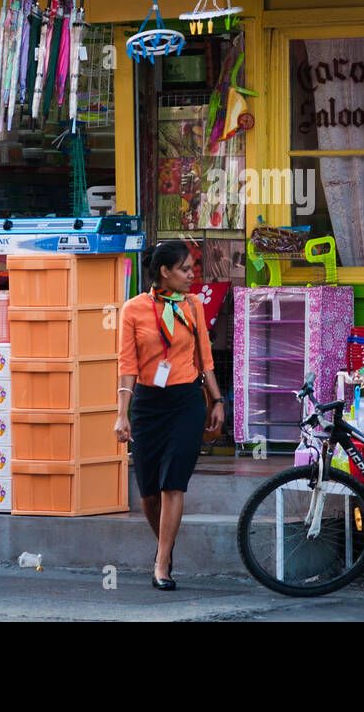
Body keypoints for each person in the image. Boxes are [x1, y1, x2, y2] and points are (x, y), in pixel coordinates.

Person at [115, 241, 225, 591]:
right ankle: (166, 544)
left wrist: (218, 400)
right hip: (147, 403)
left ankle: (162, 562)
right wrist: (122, 414)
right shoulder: (132, 309)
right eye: (185, 269)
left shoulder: (194, 305)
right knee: (148, 490)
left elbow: (205, 358)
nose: (192, 275)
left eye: (193, 268)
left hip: (186, 402)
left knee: (172, 482)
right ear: (164, 271)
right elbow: (127, 365)